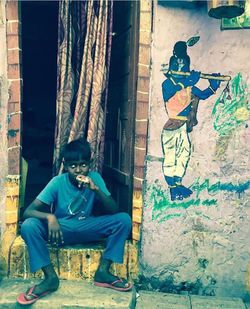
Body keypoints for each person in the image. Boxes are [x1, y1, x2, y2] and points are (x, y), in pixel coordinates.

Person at [17, 138, 132, 305]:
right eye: (73, 166)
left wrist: (96, 190)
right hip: (61, 230)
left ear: (90, 163)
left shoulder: (95, 178)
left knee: (124, 219)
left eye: (83, 165)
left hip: (87, 227)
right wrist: (50, 217)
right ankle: (50, 278)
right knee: (29, 226)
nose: (79, 170)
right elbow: (28, 212)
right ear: (65, 164)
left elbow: (114, 210)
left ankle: (103, 272)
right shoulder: (57, 182)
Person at [161, 40, 221, 201]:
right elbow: (173, 91)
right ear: (171, 69)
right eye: (177, 68)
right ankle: (172, 188)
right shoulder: (168, 84)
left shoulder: (189, 86)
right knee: (170, 157)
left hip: (183, 127)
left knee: (184, 155)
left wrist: (214, 85)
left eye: (184, 68)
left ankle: (178, 185)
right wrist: (189, 80)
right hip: (172, 126)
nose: (181, 70)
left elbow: (202, 94)